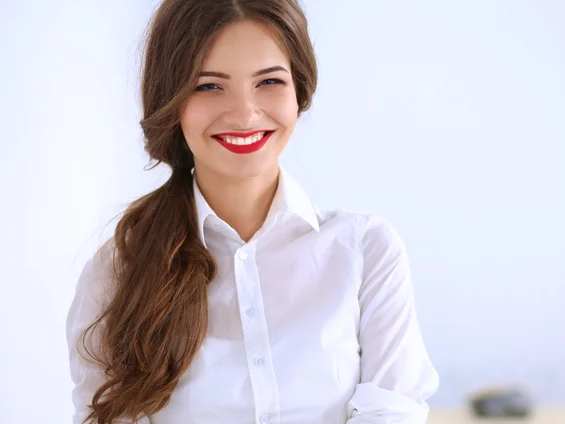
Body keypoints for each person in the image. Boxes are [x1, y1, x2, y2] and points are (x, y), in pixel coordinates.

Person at [65, 0, 439, 423]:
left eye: (269, 81)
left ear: (300, 92)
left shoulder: (366, 250)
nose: (244, 114)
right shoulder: (117, 272)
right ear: (171, 100)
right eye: (208, 86)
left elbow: (393, 411)